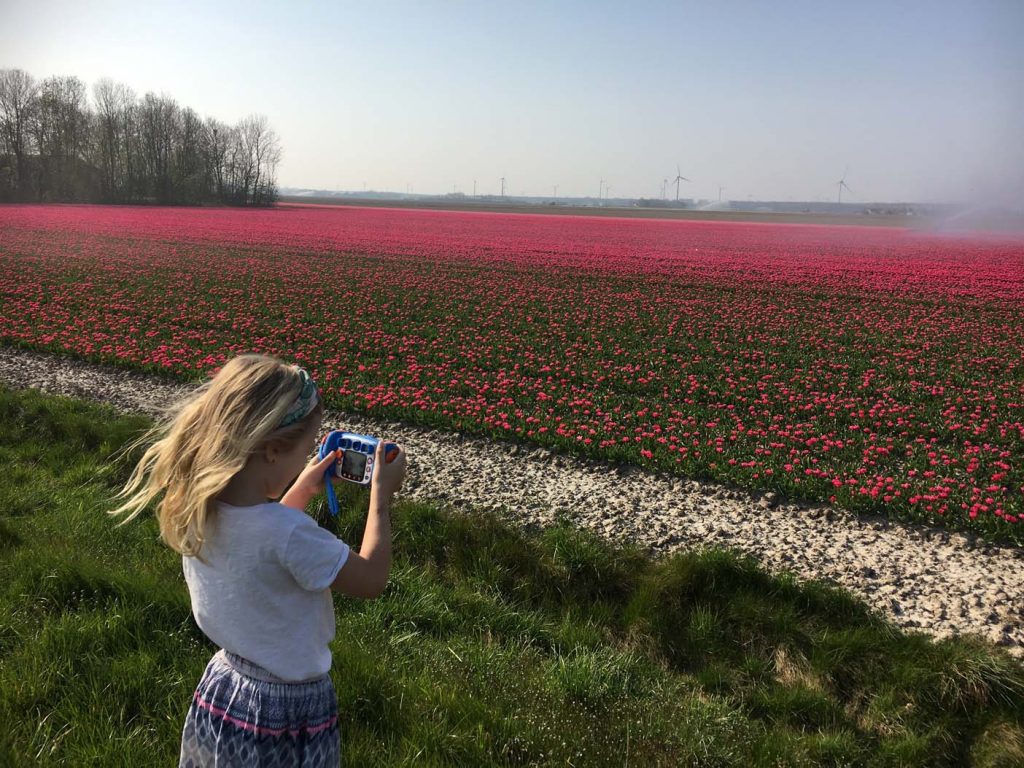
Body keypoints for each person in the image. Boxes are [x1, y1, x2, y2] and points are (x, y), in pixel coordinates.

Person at [108, 353, 407, 767]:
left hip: (225, 688)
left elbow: (264, 536)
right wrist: (381, 499)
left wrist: (303, 486)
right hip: (287, 710)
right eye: (304, 450)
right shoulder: (288, 534)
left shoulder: (201, 508)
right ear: (271, 451)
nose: (304, 460)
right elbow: (372, 579)